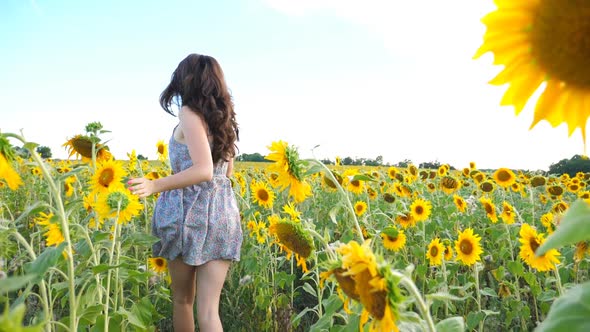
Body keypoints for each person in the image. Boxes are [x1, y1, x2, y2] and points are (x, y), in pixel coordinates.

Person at [128, 53, 243, 332]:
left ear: (185, 81)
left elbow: (203, 171)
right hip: (222, 215)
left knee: (183, 301)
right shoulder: (224, 122)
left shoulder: (189, 114)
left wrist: (155, 185)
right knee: (209, 311)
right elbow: (225, 174)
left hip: (187, 217)